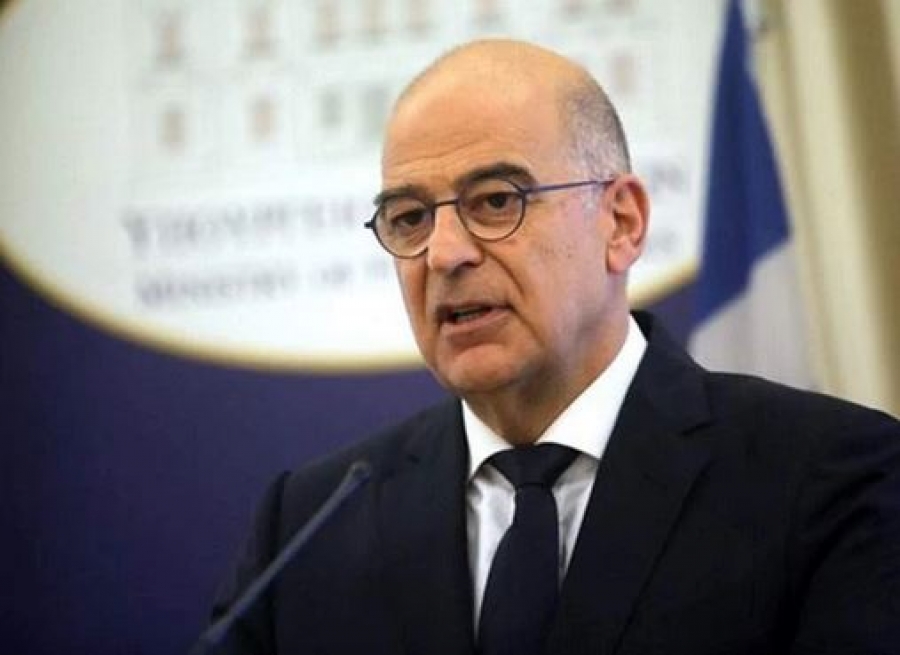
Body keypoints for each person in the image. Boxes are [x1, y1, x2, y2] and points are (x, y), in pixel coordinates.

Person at [202, 39, 900, 654]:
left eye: (495, 201)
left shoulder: (829, 476)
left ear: (621, 223)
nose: (443, 253)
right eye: (409, 217)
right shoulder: (309, 524)